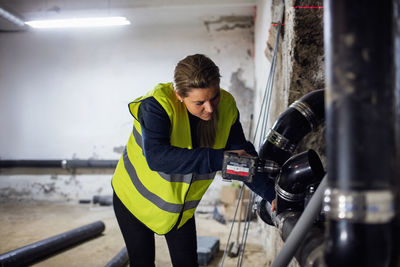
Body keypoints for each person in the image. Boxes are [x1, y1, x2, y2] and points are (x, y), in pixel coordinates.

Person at [112, 54, 275, 267]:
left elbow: (241, 159)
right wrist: (220, 159)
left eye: (214, 97)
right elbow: (157, 157)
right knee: (142, 262)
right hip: (133, 200)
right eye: (200, 102)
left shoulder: (225, 106)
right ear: (179, 95)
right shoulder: (156, 106)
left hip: (178, 208)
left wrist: (271, 194)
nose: (210, 108)